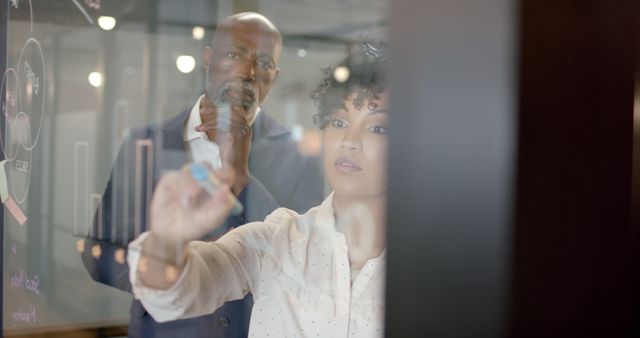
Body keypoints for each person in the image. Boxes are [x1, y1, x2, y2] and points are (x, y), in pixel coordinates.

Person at [81, 12, 324, 338]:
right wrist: (165, 279)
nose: (247, 72)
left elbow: (309, 259)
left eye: (264, 63)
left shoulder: (301, 156)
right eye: (235, 54)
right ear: (207, 58)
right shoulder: (145, 143)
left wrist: (241, 176)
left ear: (275, 77)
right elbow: (98, 250)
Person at [128, 39, 388, 338]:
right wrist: (167, 240)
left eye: (378, 127)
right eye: (339, 122)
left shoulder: (440, 265)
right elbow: (177, 293)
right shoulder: (276, 240)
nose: (349, 140)